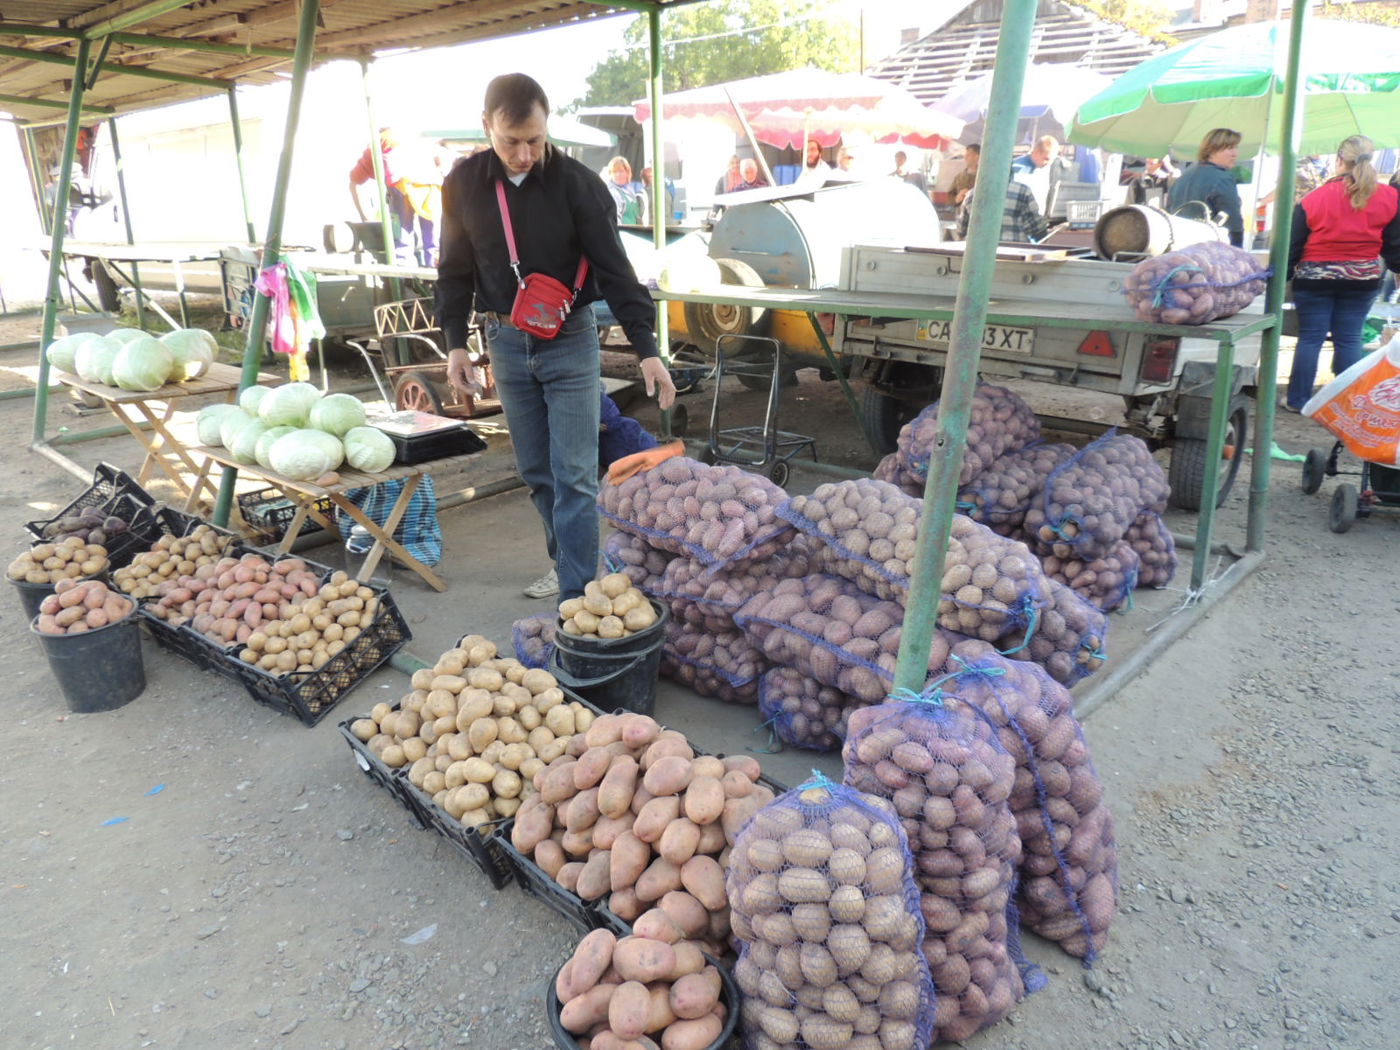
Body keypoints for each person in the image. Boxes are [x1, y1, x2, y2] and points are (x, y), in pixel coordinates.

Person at [436, 73, 676, 600]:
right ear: (487, 127)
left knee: (573, 475)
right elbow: (453, 271)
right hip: (504, 340)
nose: (523, 154)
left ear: (547, 128)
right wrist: (456, 342)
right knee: (537, 473)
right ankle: (568, 560)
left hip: (569, 340)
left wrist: (647, 351)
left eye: (535, 141)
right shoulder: (463, 183)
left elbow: (617, 270)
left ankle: (578, 602)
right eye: (510, 141)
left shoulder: (578, 184)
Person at [1283, 134, 1400, 413]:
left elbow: (1294, 245)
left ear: (1339, 161)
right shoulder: (1390, 197)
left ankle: (1298, 400)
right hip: (1362, 279)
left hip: (1314, 280)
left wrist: (1283, 275)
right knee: (1349, 338)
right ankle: (1348, 401)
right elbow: (1394, 244)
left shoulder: (1313, 198)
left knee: (1310, 338)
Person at [349, 128, 441, 265]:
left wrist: (364, 216)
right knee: (431, 231)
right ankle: (434, 266)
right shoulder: (412, 137)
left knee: (401, 231)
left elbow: (354, 184)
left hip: (402, 182)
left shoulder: (377, 142)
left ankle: (404, 270)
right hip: (431, 183)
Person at [1167, 128, 1244, 247]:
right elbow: (1233, 221)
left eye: (1236, 148)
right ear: (1212, 150)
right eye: (1230, 148)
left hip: (1179, 246)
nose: (1235, 154)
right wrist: (1238, 247)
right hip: (1209, 250)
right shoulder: (1222, 178)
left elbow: (1170, 212)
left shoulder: (1182, 178)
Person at [956, 178, 1048, 244]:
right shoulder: (1023, 191)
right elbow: (1035, 228)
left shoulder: (971, 194)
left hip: (977, 257)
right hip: (1014, 255)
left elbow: (961, 230)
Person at [1009, 135, 1061, 215]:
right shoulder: (1015, 167)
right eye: (1046, 159)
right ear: (1037, 153)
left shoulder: (1047, 170)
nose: (1049, 163)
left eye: (1052, 160)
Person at [603, 156, 643, 225]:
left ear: (627, 173)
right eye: (614, 172)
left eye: (621, 171)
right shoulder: (613, 192)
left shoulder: (630, 190)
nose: (618, 174)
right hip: (623, 233)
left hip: (634, 232)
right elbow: (615, 219)